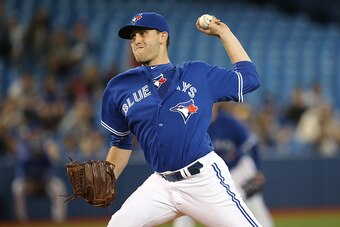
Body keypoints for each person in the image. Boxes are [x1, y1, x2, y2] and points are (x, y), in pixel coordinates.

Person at [101, 12, 261, 226]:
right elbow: (121, 142)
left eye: (142, 33)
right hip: (161, 185)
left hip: (202, 180)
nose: (136, 40)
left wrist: (224, 32)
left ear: (162, 37)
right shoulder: (119, 87)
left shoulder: (197, 73)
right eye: (132, 36)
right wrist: (105, 181)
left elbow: (249, 79)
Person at [173, 103, 275, 227]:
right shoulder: (193, 125)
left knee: (253, 203)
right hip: (208, 174)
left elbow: (252, 144)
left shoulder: (229, 122)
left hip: (236, 170)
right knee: (186, 204)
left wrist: (258, 170)